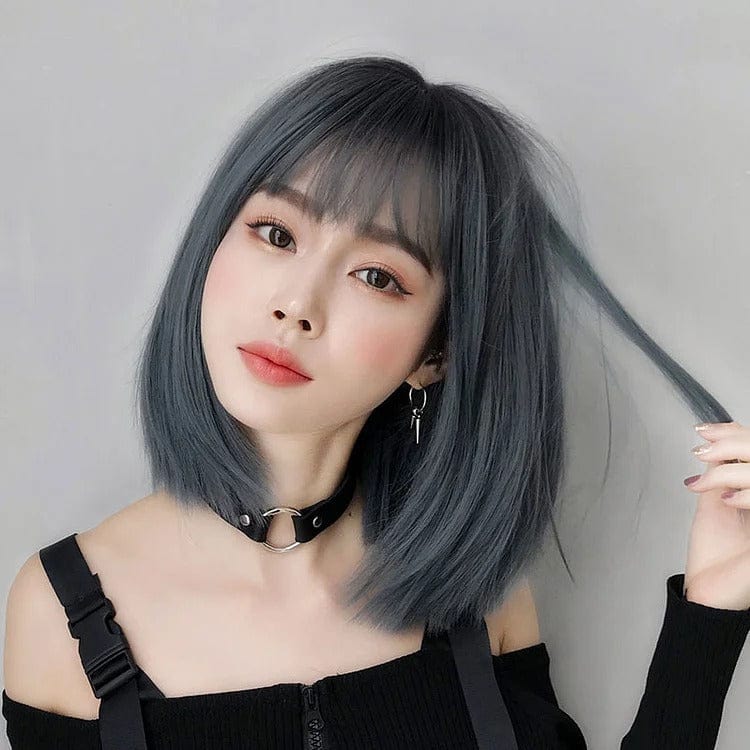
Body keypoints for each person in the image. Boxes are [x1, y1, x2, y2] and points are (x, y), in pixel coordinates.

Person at [3, 54, 750, 750]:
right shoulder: (65, 613)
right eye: (275, 232)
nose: (297, 305)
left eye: (377, 277)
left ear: (436, 353)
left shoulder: (471, 592)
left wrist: (713, 606)